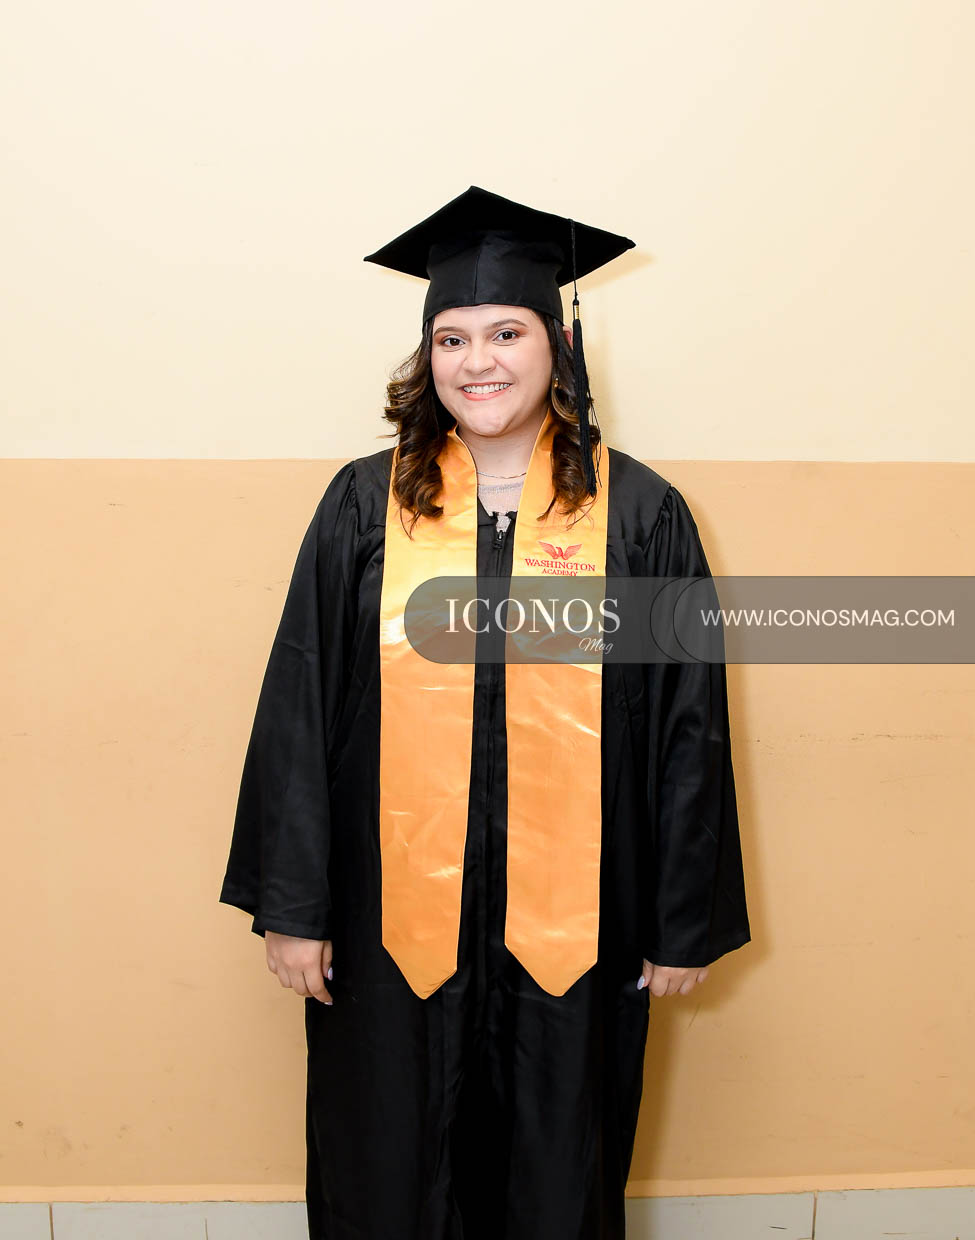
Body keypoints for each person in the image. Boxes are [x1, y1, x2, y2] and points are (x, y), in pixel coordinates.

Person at [219, 185, 751, 1240]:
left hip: (578, 929)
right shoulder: (364, 505)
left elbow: (687, 725)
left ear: (558, 344)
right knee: (389, 1169)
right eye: (452, 338)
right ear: (427, 357)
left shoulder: (640, 514)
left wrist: (679, 918)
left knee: (557, 1172)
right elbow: (299, 704)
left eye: (506, 332)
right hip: (389, 927)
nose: (479, 362)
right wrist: (294, 906)